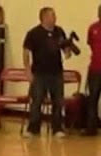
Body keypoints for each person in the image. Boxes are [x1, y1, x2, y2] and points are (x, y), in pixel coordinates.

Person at [22, 6, 74, 138]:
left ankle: (57, 128)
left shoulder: (59, 31)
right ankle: (33, 128)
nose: (55, 18)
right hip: (39, 73)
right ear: (44, 17)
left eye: (55, 16)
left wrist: (68, 50)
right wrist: (28, 71)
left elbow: (65, 51)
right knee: (37, 100)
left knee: (58, 101)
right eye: (52, 15)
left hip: (56, 73)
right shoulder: (33, 33)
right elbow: (26, 52)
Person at [87, 4, 100, 136]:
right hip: (95, 69)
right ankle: (91, 128)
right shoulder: (93, 28)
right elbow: (90, 44)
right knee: (93, 98)